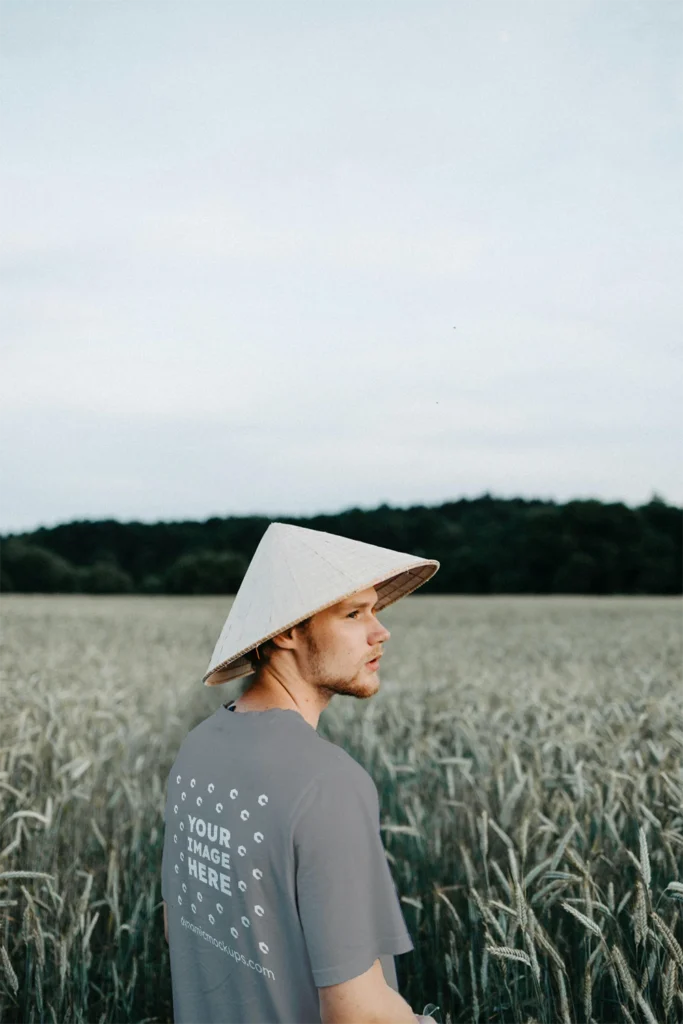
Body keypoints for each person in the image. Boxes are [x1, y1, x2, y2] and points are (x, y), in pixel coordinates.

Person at [161, 521, 439, 1023]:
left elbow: (180, 927)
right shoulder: (327, 782)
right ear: (288, 629)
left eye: (375, 610)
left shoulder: (196, 750)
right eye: (354, 613)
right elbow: (359, 1014)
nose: (381, 631)